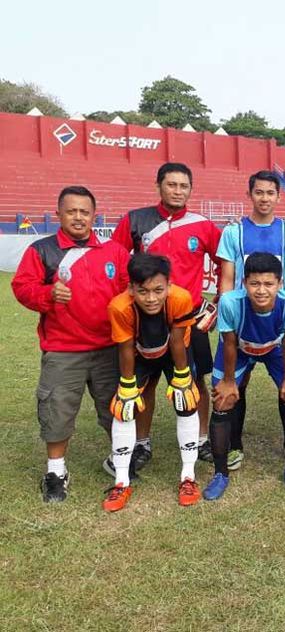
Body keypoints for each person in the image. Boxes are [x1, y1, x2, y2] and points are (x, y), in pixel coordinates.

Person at [12, 186, 130, 503]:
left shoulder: (114, 251)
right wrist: (47, 295)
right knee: (56, 412)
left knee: (116, 410)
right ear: (59, 214)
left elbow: (126, 293)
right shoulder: (42, 250)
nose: (78, 217)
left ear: (94, 215)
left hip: (109, 348)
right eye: (71, 211)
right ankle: (56, 471)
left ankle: (119, 463)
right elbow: (22, 287)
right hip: (64, 350)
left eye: (84, 211)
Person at [110, 162, 222, 468]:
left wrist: (218, 302)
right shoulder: (135, 220)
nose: (177, 191)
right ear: (158, 185)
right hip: (145, 317)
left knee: (196, 381)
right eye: (171, 184)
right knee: (146, 384)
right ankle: (142, 444)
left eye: (183, 186)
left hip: (190, 316)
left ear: (190, 189)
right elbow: (116, 262)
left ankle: (200, 440)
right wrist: (129, 301)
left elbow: (224, 262)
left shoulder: (202, 224)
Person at [215, 170, 285, 471]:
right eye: (259, 192)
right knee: (237, 384)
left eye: (270, 193)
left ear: (278, 196)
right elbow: (227, 279)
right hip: (242, 321)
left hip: (277, 324)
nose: (264, 198)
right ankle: (235, 447)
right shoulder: (233, 233)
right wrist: (227, 314)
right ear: (250, 194)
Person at [202, 253, 285, 500]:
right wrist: (228, 382)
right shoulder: (230, 302)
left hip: (275, 348)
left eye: (269, 284)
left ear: (280, 284)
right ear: (244, 283)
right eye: (255, 284)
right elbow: (228, 342)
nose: (261, 291)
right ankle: (220, 473)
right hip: (238, 348)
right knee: (223, 399)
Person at [103, 254, 202, 511]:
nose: (151, 298)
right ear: (131, 288)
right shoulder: (119, 307)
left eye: (158, 290)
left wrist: (182, 377)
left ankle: (188, 476)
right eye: (143, 291)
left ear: (169, 285)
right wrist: (126, 385)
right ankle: (121, 481)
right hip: (138, 354)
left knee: (186, 401)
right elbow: (125, 347)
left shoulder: (180, 298)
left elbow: (178, 340)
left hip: (174, 351)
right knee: (124, 408)